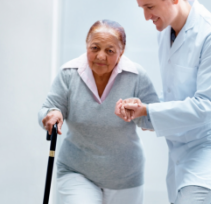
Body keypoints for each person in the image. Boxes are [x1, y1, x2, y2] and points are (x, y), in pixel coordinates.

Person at [115, 0, 211, 204]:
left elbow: (208, 106)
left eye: (150, 7)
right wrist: (142, 114)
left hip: (210, 147)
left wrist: (149, 111)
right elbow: (175, 97)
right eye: (142, 8)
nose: (146, 16)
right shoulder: (164, 35)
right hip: (179, 150)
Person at [38, 20, 159, 204]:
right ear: (86, 45)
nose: (100, 56)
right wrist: (53, 114)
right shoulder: (69, 73)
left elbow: (156, 118)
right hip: (77, 170)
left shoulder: (135, 76)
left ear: (121, 52)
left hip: (125, 176)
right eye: (94, 48)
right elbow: (47, 109)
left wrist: (140, 111)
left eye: (110, 51)